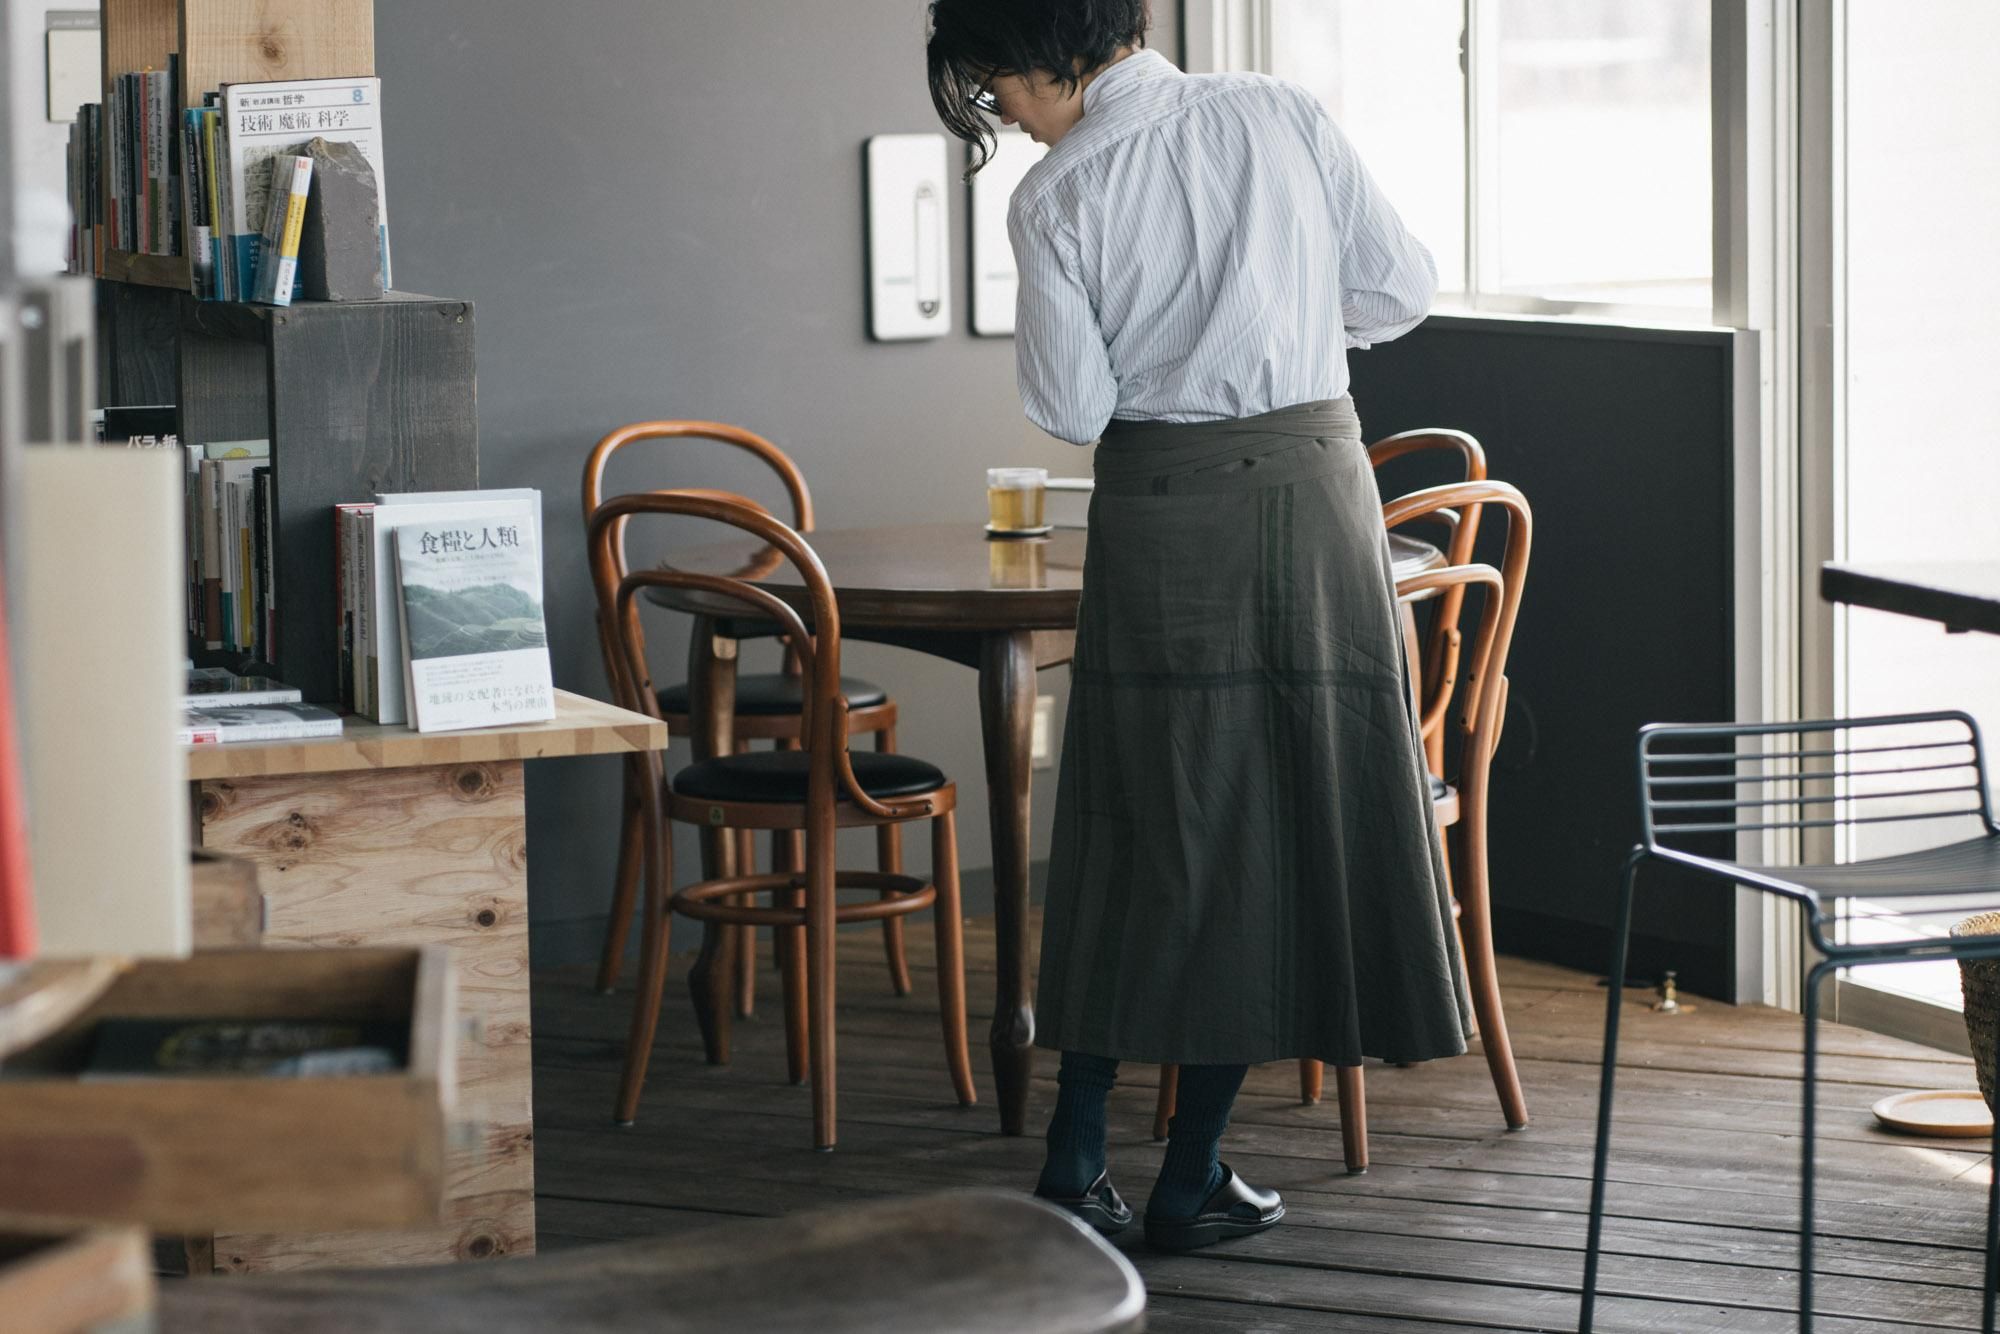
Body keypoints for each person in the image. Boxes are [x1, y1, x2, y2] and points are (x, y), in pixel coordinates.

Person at [927, 0, 1471, 1253]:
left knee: (1139, 813)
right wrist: (1270, 326)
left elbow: (1070, 403)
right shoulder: (1277, 112)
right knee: (1278, 817)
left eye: (991, 84)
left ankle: (1074, 1156)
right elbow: (1397, 290)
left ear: (1040, 55)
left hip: (1162, 505)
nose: (998, 113)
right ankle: (1192, 1170)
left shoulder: (1055, 195)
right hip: (1312, 484)